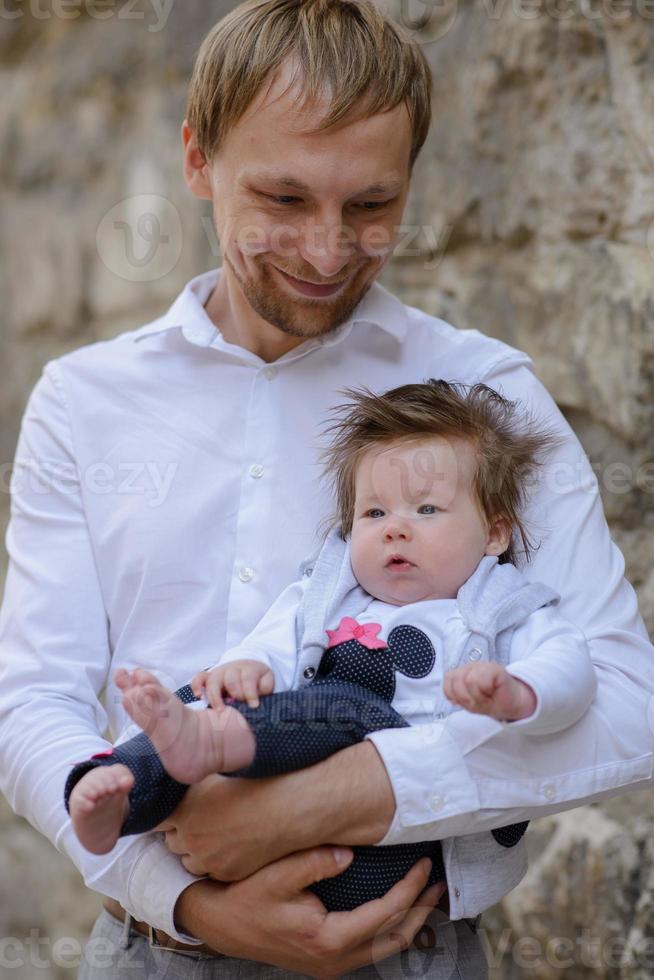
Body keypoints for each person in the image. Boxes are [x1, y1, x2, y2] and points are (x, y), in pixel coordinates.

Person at [0, 0, 652, 975]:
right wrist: (183, 897)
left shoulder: (487, 393)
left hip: (408, 945)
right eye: (284, 199)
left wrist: (339, 794)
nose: (324, 250)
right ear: (196, 159)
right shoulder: (84, 403)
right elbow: (32, 701)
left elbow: (629, 707)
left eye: (371, 207)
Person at [64, 380, 598, 925]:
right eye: (373, 514)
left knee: (341, 702)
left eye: (428, 508)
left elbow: (571, 665)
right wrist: (251, 667)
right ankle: (121, 797)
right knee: (200, 695)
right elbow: (273, 642)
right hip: (263, 824)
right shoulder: (325, 595)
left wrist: (520, 692)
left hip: (386, 857)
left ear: (494, 534)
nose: (395, 529)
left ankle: (206, 743)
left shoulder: (505, 608)